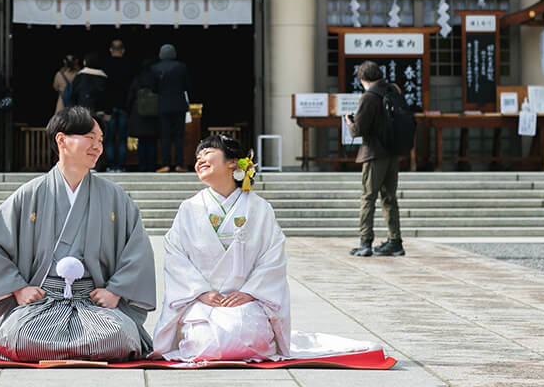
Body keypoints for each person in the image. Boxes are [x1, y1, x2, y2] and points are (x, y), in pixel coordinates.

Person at [154, 134, 382, 362]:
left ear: (233, 162)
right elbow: (176, 257)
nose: (200, 159)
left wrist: (250, 292)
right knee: (205, 340)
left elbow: (273, 258)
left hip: (246, 302)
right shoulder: (189, 208)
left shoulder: (259, 208)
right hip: (202, 302)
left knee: (249, 334)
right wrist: (200, 291)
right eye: (197, 156)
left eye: (207, 152)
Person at [0, 106, 156, 362]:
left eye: (101, 141)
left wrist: (115, 291)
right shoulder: (29, 194)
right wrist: (18, 289)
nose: (98, 146)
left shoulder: (115, 198)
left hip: (94, 304)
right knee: (17, 336)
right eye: (90, 138)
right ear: (61, 140)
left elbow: (138, 250)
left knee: (120, 336)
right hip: (41, 303)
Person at [345, 60, 405, 258]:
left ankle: (365, 242)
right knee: (389, 198)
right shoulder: (393, 91)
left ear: (363, 79)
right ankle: (395, 241)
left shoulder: (368, 97)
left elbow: (358, 130)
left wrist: (349, 122)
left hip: (374, 153)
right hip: (393, 151)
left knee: (368, 197)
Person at [150, 44, 191, 173]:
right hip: (179, 104)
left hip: (163, 105)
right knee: (179, 135)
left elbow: (153, 88)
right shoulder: (181, 67)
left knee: (165, 135)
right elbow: (187, 85)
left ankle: (166, 164)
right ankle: (179, 164)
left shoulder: (155, 68)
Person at [102, 40, 134, 172]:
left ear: (111, 50)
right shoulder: (129, 66)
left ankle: (110, 165)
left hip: (109, 107)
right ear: (123, 50)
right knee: (122, 139)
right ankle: (120, 166)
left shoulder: (105, 66)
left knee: (109, 138)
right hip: (123, 106)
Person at [126, 58, 160, 173]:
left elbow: (130, 96)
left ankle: (142, 166)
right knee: (152, 142)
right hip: (154, 115)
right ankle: (152, 166)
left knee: (142, 142)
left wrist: (129, 110)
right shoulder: (156, 79)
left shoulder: (137, 79)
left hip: (139, 114)